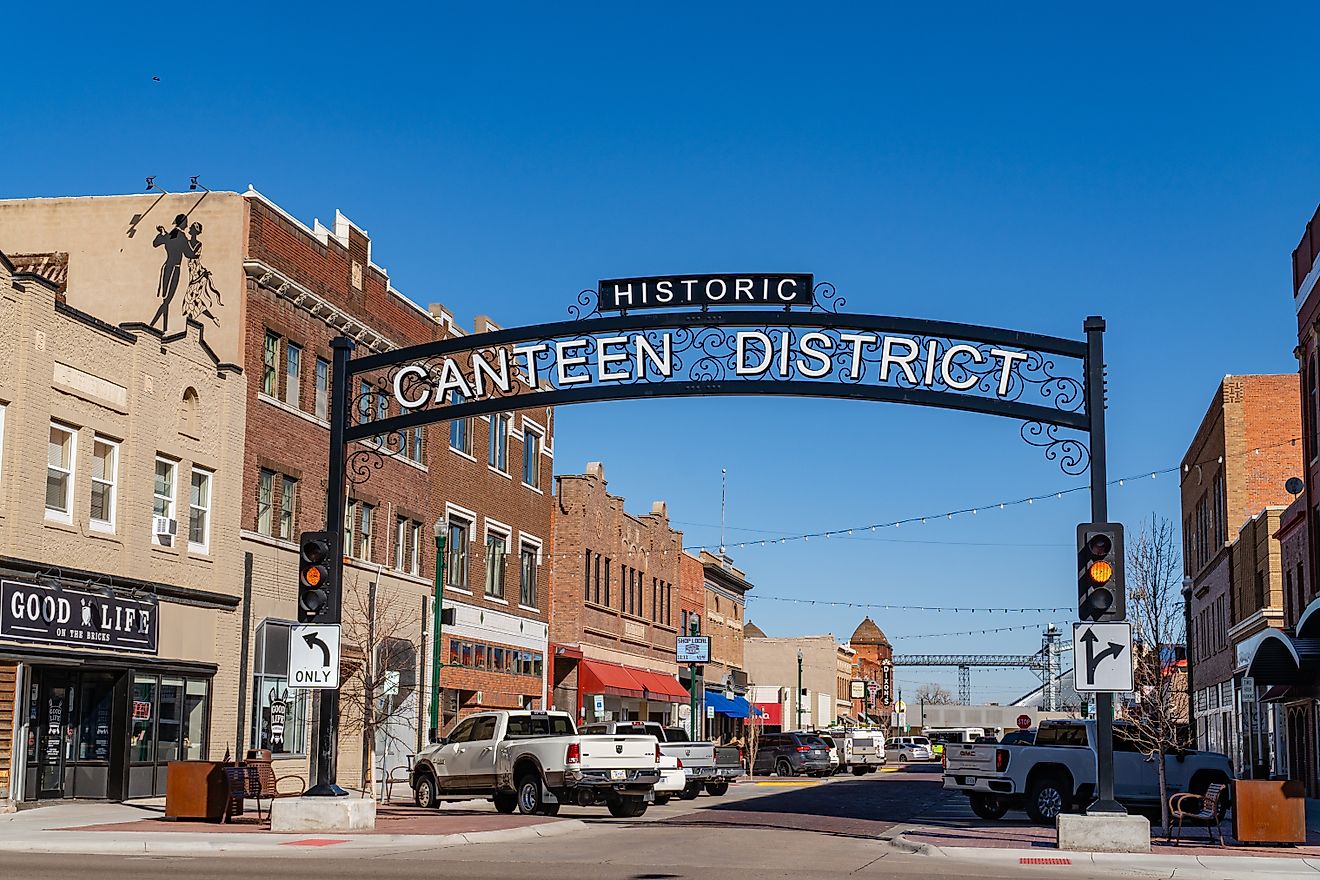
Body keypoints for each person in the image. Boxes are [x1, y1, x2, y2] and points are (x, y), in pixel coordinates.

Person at [150, 214, 196, 332]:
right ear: (182, 222)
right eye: (186, 222)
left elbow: (156, 243)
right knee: (167, 300)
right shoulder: (181, 236)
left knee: (166, 299)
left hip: (167, 267)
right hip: (174, 269)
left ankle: (164, 328)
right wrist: (196, 248)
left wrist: (162, 233)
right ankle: (152, 325)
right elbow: (189, 254)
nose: (187, 224)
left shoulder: (170, 234)